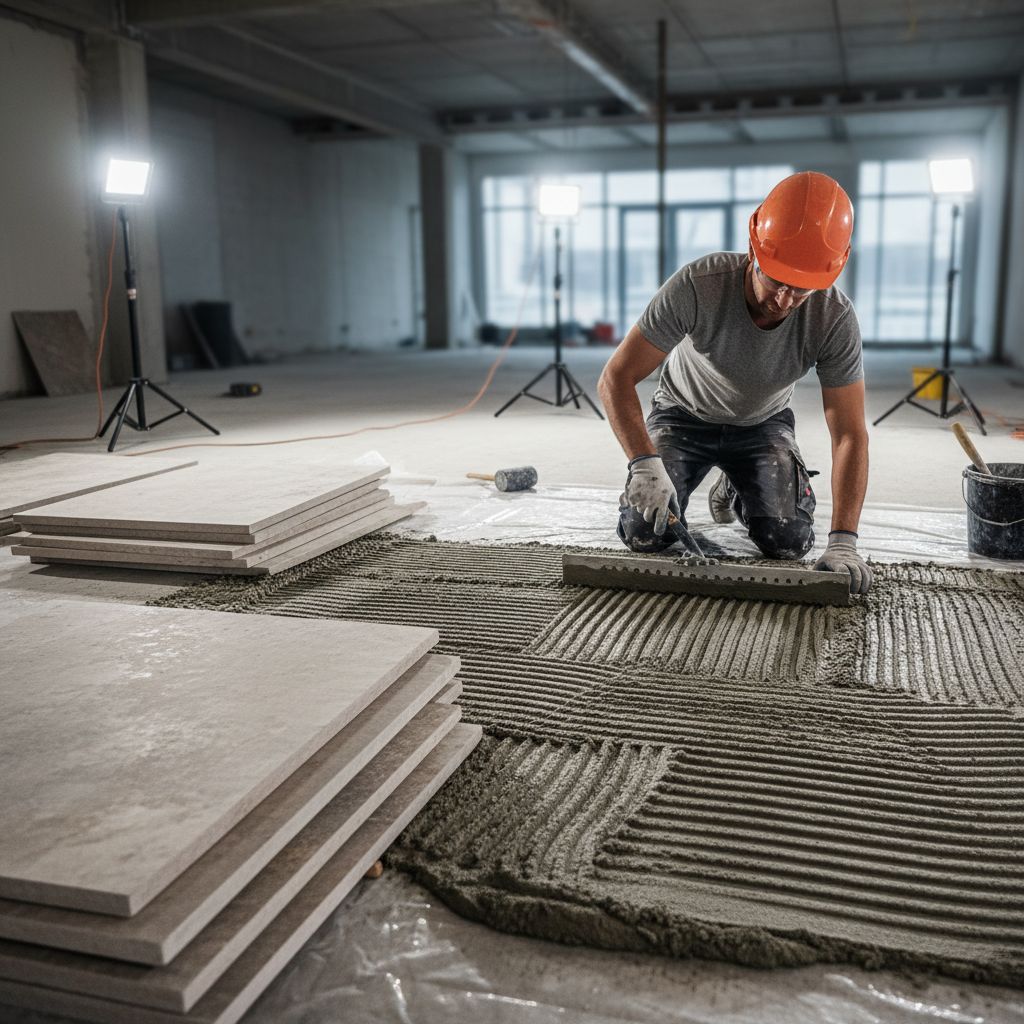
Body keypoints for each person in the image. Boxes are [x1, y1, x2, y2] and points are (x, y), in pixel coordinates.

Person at [597, 170, 871, 594]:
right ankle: (702, 472)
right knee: (644, 533)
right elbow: (616, 377)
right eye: (776, 280)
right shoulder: (698, 285)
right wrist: (644, 465)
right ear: (753, 249)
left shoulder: (834, 317)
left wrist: (844, 542)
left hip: (763, 424)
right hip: (682, 416)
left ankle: (737, 484)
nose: (784, 301)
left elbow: (851, 434)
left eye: (801, 291)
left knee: (788, 543)